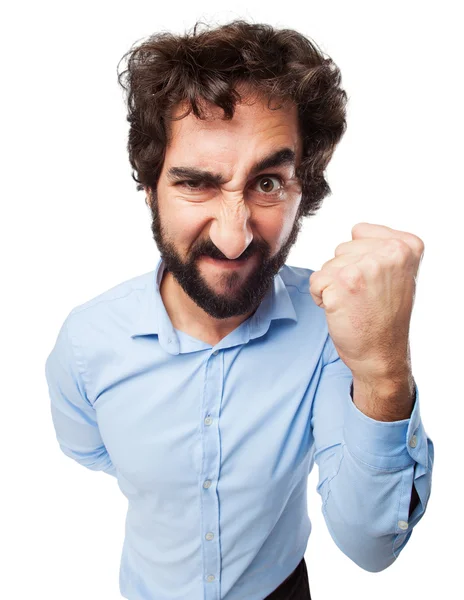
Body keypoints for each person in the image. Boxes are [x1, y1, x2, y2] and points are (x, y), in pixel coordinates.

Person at [44, 19, 434, 600]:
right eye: (197, 184)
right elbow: (87, 448)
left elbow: (372, 546)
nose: (233, 238)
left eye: (269, 183)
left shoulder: (334, 328)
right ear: (149, 188)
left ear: (305, 189)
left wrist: (384, 371)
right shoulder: (86, 340)